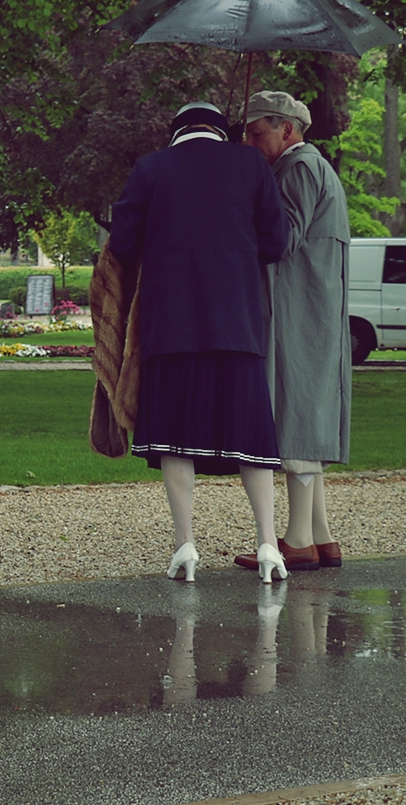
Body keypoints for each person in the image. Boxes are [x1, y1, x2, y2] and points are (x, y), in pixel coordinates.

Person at [107, 101, 291, 582]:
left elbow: (123, 243)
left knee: (176, 438)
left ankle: (185, 545)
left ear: (175, 133)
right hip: (238, 322)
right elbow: (276, 241)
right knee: (251, 436)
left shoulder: (151, 168)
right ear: (219, 130)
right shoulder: (251, 163)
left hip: (172, 323)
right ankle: (269, 545)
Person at [235, 91, 351, 574]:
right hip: (311, 304)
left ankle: (299, 540)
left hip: (302, 306)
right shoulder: (308, 166)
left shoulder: (299, 167)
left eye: (257, 134)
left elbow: (282, 238)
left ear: (287, 129)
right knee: (308, 410)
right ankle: (320, 536)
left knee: (299, 412)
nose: (249, 142)